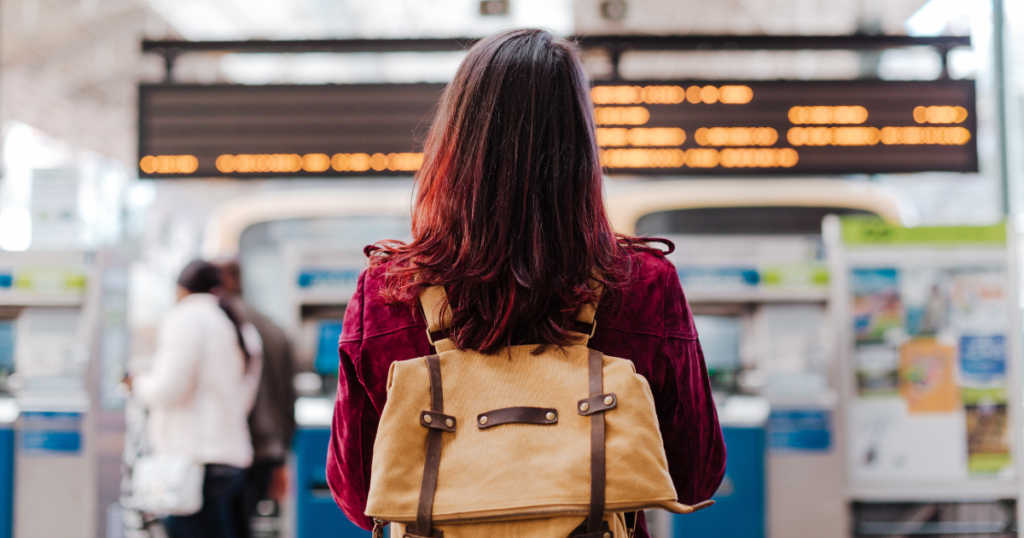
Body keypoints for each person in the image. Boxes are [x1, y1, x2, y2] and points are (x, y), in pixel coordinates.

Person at [326, 29, 726, 538]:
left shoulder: (388, 292)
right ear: (581, 143)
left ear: (454, 138)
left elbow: (361, 496)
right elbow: (693, 477)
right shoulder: (643, 284)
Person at [131, 260, 263, 538]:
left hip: (196, 461)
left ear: (181, 289)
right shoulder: (238, 325)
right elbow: (245, 398)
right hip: (232, 457)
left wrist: (138, 383)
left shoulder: (186, 319)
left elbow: (169, 388)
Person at [214, 258, 297, 538]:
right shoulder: (274, 328)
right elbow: (289, 397)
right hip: (269, 450)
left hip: (234, 447)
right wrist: (283, 453)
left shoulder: (222, 325)